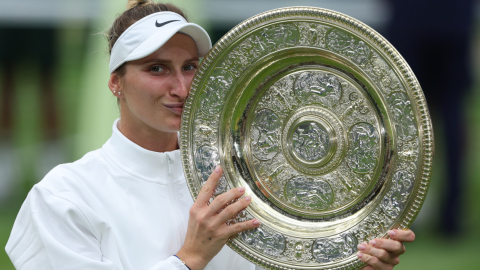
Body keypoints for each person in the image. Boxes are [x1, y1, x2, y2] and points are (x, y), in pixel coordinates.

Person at [5, 1, 415, 269]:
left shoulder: (247, 185)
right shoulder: (63, 196)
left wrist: (361, 264)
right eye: (157, 69)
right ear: (115, 82)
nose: (181, 89)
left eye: (190, 67)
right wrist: (190, 258)